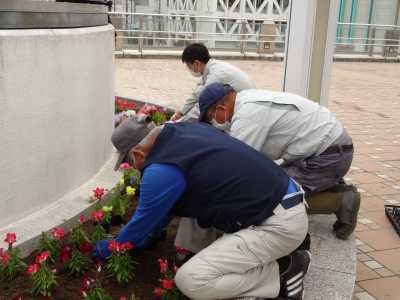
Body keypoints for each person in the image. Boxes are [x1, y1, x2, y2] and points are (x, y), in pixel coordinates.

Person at [95, 117, 310, 300]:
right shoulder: (184, 130)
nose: (133, 167)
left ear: (138, 153)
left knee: (191, 280)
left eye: (129, 162)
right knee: (193, 213)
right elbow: (163, 211)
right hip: (283, 199)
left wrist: (109, 248)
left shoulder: (161, 170)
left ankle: (283, 270)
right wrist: (149, 236)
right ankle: (273, 252)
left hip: (278, 225)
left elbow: (142, 223)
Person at [198, 82, 360, 240]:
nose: (213, 121)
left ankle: (340, 201)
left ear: (221, 108)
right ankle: (325, 183)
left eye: (211, 117)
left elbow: (237, 165)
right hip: (327, 149)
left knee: (269, 197)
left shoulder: (247, 117)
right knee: (269, 178)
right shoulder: (246, 99)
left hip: (328, 157)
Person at [170, 43, 255, 122]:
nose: (189, 69)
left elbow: (201, 104)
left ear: (196, 63)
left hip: (248, 110)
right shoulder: (210, 69)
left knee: (211, 118)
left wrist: (179, 123)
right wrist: (180, 113)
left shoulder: (216, 74)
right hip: (240, 104)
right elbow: (196, 94)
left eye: (189, 66)